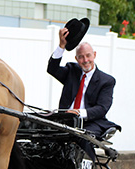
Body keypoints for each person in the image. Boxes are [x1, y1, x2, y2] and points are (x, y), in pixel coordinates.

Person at [47, 22, 120, 160]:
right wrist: (62, 46)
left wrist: (79, 112)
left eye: (88, 56)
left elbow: (102, 108)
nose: (85, 60)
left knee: (82, 136)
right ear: (76, 59)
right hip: (66, 120)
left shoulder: (107, 81)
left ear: (94, 55)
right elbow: (52, 69)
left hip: (91, 123)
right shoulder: (72, 71)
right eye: (81, 57)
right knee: (44, 135)